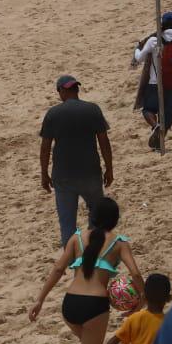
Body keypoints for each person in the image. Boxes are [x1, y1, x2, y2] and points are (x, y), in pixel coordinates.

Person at [28, 197, 143, 344]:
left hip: (69, 305)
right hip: (95, 307)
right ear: (115, 220)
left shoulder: (77, 237)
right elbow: (135, 273)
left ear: (92, 216)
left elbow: (58, 269)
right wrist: (142, 299)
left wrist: (39, 299)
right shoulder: (119, 242)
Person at [39, 75, 115, 245]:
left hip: (64, 176)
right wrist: (109, 168)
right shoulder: (93, 109)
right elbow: (104, 142)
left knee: (67, 225)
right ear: (76, 90)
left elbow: (45, 147)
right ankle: (93, 254)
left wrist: (44, 173)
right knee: (96, 220)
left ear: (61, 91)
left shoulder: (53, 113)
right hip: (91, 173)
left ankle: (73, 262)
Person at [132, 11, 172, 148]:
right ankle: (159, 140)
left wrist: (137, 49)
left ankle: (155, 125)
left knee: (148, 110)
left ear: (162, 23)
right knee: (168, 116)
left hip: (155, 83)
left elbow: (139, 59)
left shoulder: (153, 40)